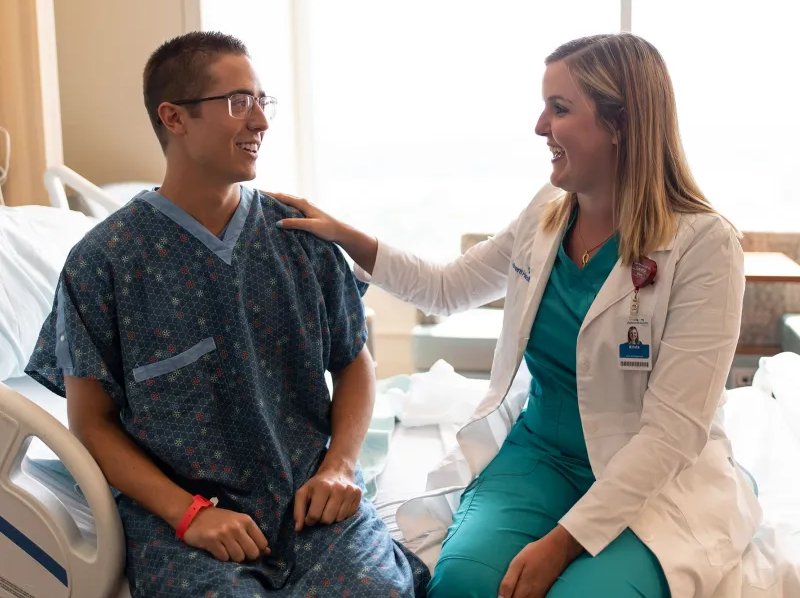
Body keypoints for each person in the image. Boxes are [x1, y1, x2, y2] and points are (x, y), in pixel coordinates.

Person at [270, 34, 761, 598]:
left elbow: (672, 434)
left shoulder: (704, 245)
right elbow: (445, 288)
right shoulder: (546, 215)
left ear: (619, 123)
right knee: (461, 585)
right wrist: (344, 235)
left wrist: (562, 543)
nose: (539, 126)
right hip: (542, 454)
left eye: (559, 108)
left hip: (651, 480)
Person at [26, 31, 429, 598]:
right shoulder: (104, 262)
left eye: (263, 102)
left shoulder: (300, 238)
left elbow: (353, 361)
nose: (261, 122)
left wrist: (339, 466)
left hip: (310, 497)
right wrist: (188, 514)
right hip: (186, 518)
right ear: (174, 118)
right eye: (240, 103)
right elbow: (91, 422)